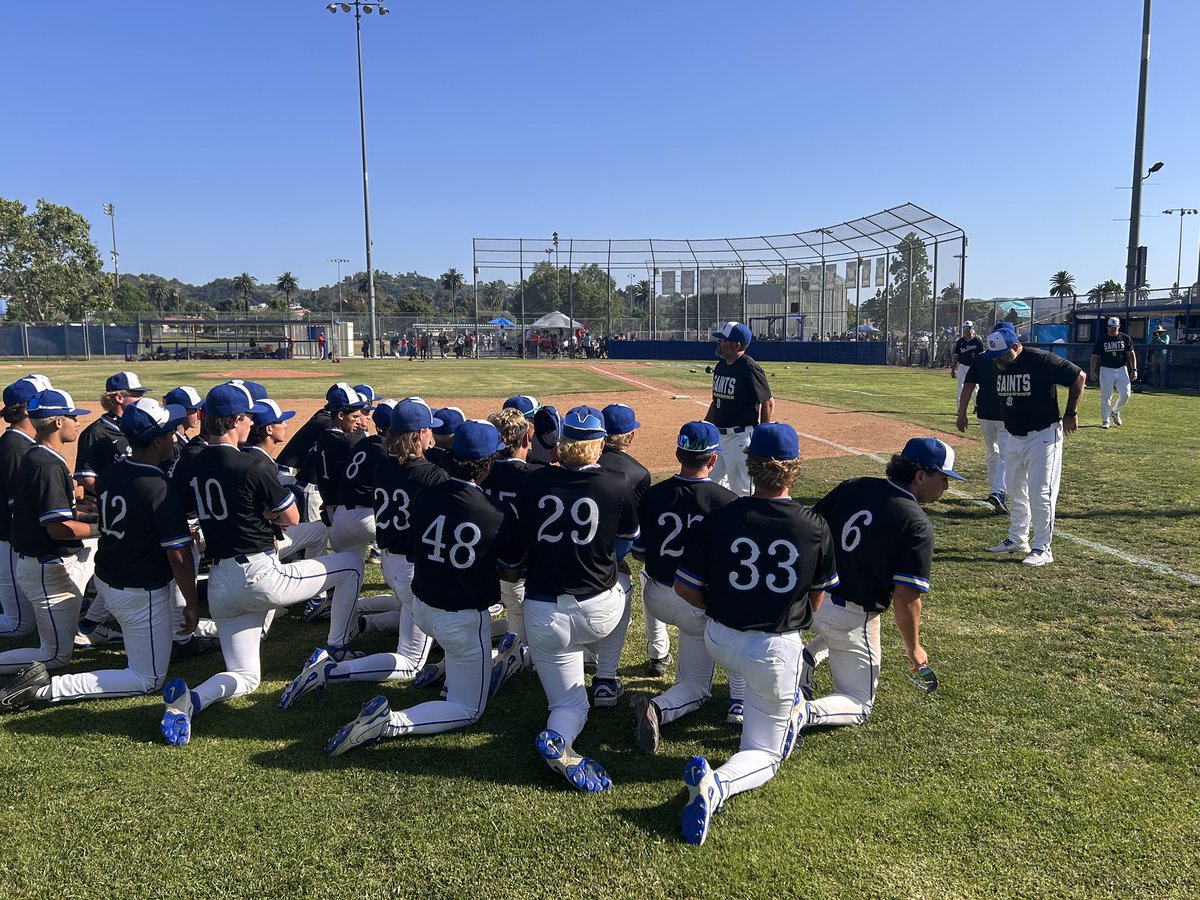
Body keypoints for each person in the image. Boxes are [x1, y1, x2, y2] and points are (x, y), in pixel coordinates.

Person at [158, 383, 365, 746]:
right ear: (234, 421)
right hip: (260, 575)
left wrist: (191, 603)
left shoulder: (191, 461)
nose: (251, 423)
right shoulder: (251, 462)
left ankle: (190, 701)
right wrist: (267, 513)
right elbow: (291, 517)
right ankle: (337, 647)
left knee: (245, 676)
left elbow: (183, 518)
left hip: (221, 583)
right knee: (350, 565)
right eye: (247, 418)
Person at [672, 422, 838, 845]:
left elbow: (684, 587)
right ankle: (717, 785)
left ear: (749, 464)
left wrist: (719, 608)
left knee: (748, 668)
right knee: (764, 752)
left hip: (719, 639)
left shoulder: (721, 516)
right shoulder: (815, 525)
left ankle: (739, 703)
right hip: (774, 648)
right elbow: (816, 599)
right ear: (794, 468)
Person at [323, 421, 525, 755]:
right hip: (461, 618)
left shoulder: (427, 494)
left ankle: (447, 669)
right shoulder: (497, 513)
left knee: (452, 646)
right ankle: (388, 723)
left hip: (423, 605)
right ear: (488, 465)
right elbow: (511, 571)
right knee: (467, 709)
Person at [0, 400, 200, 712]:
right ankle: (42, 690)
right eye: (169, 432)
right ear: (158, 442)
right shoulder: (160, 487)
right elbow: (178, 554)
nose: (174, 436)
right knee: (148, 678)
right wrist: (191, 601)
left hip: (109, 581)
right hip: (139, 591)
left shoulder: (111, 472)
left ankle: (95, 628)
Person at [278, 400, 448, 708]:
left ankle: (359, 622)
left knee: (408, 608)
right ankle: (330, 671)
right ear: (419, 434)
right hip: (414, 569)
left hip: (390, 562)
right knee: (411, 662)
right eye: (427, 431)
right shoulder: (432, 475)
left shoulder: (383, 465)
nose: (431, 436)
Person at [517, 406, 639, 792]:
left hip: (542, 612)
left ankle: (560, 734)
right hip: (598, 609)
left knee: (568, 705)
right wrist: (606, 561)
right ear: (600, 444)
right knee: (625, 583)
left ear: (562, 444)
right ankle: (606, 677)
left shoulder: (534, 480)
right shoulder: (618, 482)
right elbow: (626, 541)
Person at [798, 437, 955, 735]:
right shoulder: (916, 523)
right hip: (851, 617)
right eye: (943, 478)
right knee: (859, 703)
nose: (946, 486)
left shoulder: (854, 486)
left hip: (809, 602)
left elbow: (808, 530)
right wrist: (914, 648)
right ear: (920, 476)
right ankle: (801, 712)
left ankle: (806, 657)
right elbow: (906, 599)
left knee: (838, 629)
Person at [628, 422, 737, 753]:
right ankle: (738, 703)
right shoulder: (727, 501)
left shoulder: (654, 495)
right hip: (697, 604)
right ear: (713, 460)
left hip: (658, 597)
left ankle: (658, 656)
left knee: (648, 575)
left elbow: (639, 553)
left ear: (678, 454)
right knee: (700, 680)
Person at [957, 322, 1085, 567]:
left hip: (1043, 434)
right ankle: (1018, 538)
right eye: (995, 356)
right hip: (1014, 435)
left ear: (1016, 347)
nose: (998, 361)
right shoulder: (997, 362)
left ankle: (1043, 548)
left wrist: (1071, 413)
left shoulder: (1041, 360)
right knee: (1015, 490)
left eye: (1002, 355)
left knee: (1041, 491)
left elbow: (1078, 376)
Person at [0, 389, 97, 675]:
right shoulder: (46, 465)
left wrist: (96, 518)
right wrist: (104, 528)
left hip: (43, 564)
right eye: (72, 417)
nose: (77, 422)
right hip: (45, 568)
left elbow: (63, 515)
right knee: (54, 656)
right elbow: (59, 528)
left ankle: (95, 622)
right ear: (57, 422)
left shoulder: (38, 456)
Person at [596, 403, 662, 683]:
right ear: (630, 436)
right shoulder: (639, 473)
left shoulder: (579, 462)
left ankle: (589, 654)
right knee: (638, 581)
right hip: (614, 552)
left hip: (574, 550)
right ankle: (658, 654)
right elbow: (636, 529)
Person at [0, 375, 53, 640]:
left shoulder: (25, 443)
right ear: (24, 409)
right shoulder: (14, 447)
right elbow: (18, 507)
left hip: (14, 542)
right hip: (8, 543)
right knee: (19, 624)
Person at [705, 322, 773, 496]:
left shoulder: (749, 367)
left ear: (736, 345)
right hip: (719, 437)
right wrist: (706, 426)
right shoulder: (721, 366)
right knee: (710, 485)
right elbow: (717, 401)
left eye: (723, 340)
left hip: (740, 439)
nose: (719, 342)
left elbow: (768, 402)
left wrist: (762, 435)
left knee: (742, 490)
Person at [959, 352, 1009, 514]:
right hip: (1005, 413)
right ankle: (998, 492)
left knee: (993, 452)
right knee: (1005, 455)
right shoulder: (1012, 357)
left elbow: (968, 386)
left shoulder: (980, 359)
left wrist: (962, 413)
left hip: (985, 413)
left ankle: (995, 489)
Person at [1090, 316, 1137, 428]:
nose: (1112, 329)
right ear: (1107, 327)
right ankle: (1105, 421)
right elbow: (1094, 356)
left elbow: (1131, 354)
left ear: (1118, 327)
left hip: (1121, 369)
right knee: (1106, 396)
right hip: (1106, 370)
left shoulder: (1125, 338)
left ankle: (1115, 411)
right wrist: (1092, 371)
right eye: (1110, 327)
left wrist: (1134, 369)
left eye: (1114, 327)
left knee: (1126, 394)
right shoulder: (1102, 339)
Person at [950, 321, 985, 404]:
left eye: (968, 328)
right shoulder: (960, 341)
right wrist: (953, 369)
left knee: (975, 387)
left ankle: (977, 406)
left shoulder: (977, 341)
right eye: (965, 328)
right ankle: (959, 407)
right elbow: (956, 355)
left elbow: (981, 356)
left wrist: (981, 368)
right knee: (960, 387)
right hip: (962, 366)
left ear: (972, 328)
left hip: (974, 367)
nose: (966, 330)